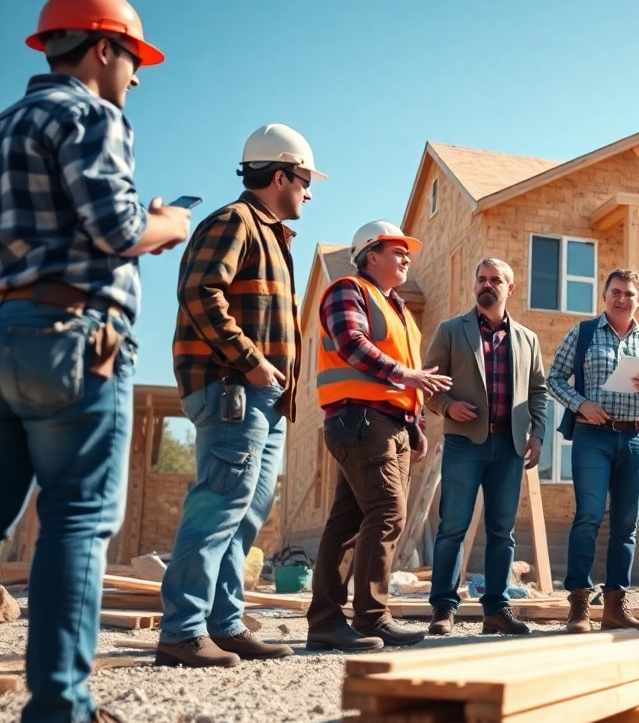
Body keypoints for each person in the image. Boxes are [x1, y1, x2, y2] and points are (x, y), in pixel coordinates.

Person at [0, 0, 189, 723]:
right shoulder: (93, 114)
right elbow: (114, 230)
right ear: (103, 48)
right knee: (77, 523)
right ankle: (62, 711)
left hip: (8, 331)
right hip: (77, 341)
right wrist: (165, 224)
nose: (137, 76)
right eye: (133, 57)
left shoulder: (10, 121)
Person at [157, 124, 325, 667]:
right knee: (220, 504)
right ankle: (182, 630)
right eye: (303, 180)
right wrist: (252, 363)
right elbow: (199, 291)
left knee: (245, 512)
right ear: (279, 175)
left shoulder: (273, 235)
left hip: (263, 400)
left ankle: (223, 625)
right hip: (234, 389)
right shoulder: (235, 222)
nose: (308, 191)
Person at [304, 222, 453, 651]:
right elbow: (351, 342)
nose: (407, 258)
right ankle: (370, 618)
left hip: (386, 423)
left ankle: (327, 623)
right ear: (371, 254)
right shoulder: (347, 290)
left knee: (349, 522)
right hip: (360, 420)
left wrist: (417, 425)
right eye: (397, 251)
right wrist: (406, 377)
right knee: (388, 511)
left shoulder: (399, 309)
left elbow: (410, 378)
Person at [422, 259, 547, 636]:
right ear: (474, 286)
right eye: (481, 279)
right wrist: (447, 407)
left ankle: (496, 609)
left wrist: (537, 434)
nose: (486, 285)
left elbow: (538, 391)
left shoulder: (527, 339)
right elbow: (430, 384)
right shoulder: (450, 331)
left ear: (510, 288)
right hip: (464, 444)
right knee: (452, 527)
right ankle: (443, 609)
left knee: (502, 531)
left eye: (495, 280)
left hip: (509, 447)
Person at [548, 269, 639, 635]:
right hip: (593, 436)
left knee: (626, 523)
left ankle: (616, 606)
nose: (622, 299)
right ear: (604, 296)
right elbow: (554, 378)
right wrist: (581, 404)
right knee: (588, 515)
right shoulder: (584, 333)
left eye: (629, 294)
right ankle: (579, 606)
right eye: (615, 292)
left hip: (636, 437)